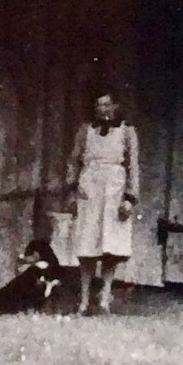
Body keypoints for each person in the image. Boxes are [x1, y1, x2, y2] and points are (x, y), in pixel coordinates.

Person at [65, 93, 139, 315]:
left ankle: (104, 297)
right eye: (98, 105)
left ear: (116, 105)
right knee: (87, 245)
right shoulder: (85, 130)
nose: (102, 109)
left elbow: (133, 166)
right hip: (90, 189)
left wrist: (130, 198)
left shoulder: (127, 131)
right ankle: (85, 299)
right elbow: (73, 161)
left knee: (111, 246)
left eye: (107, 104)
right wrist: (72, 191)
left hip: (114, 190)